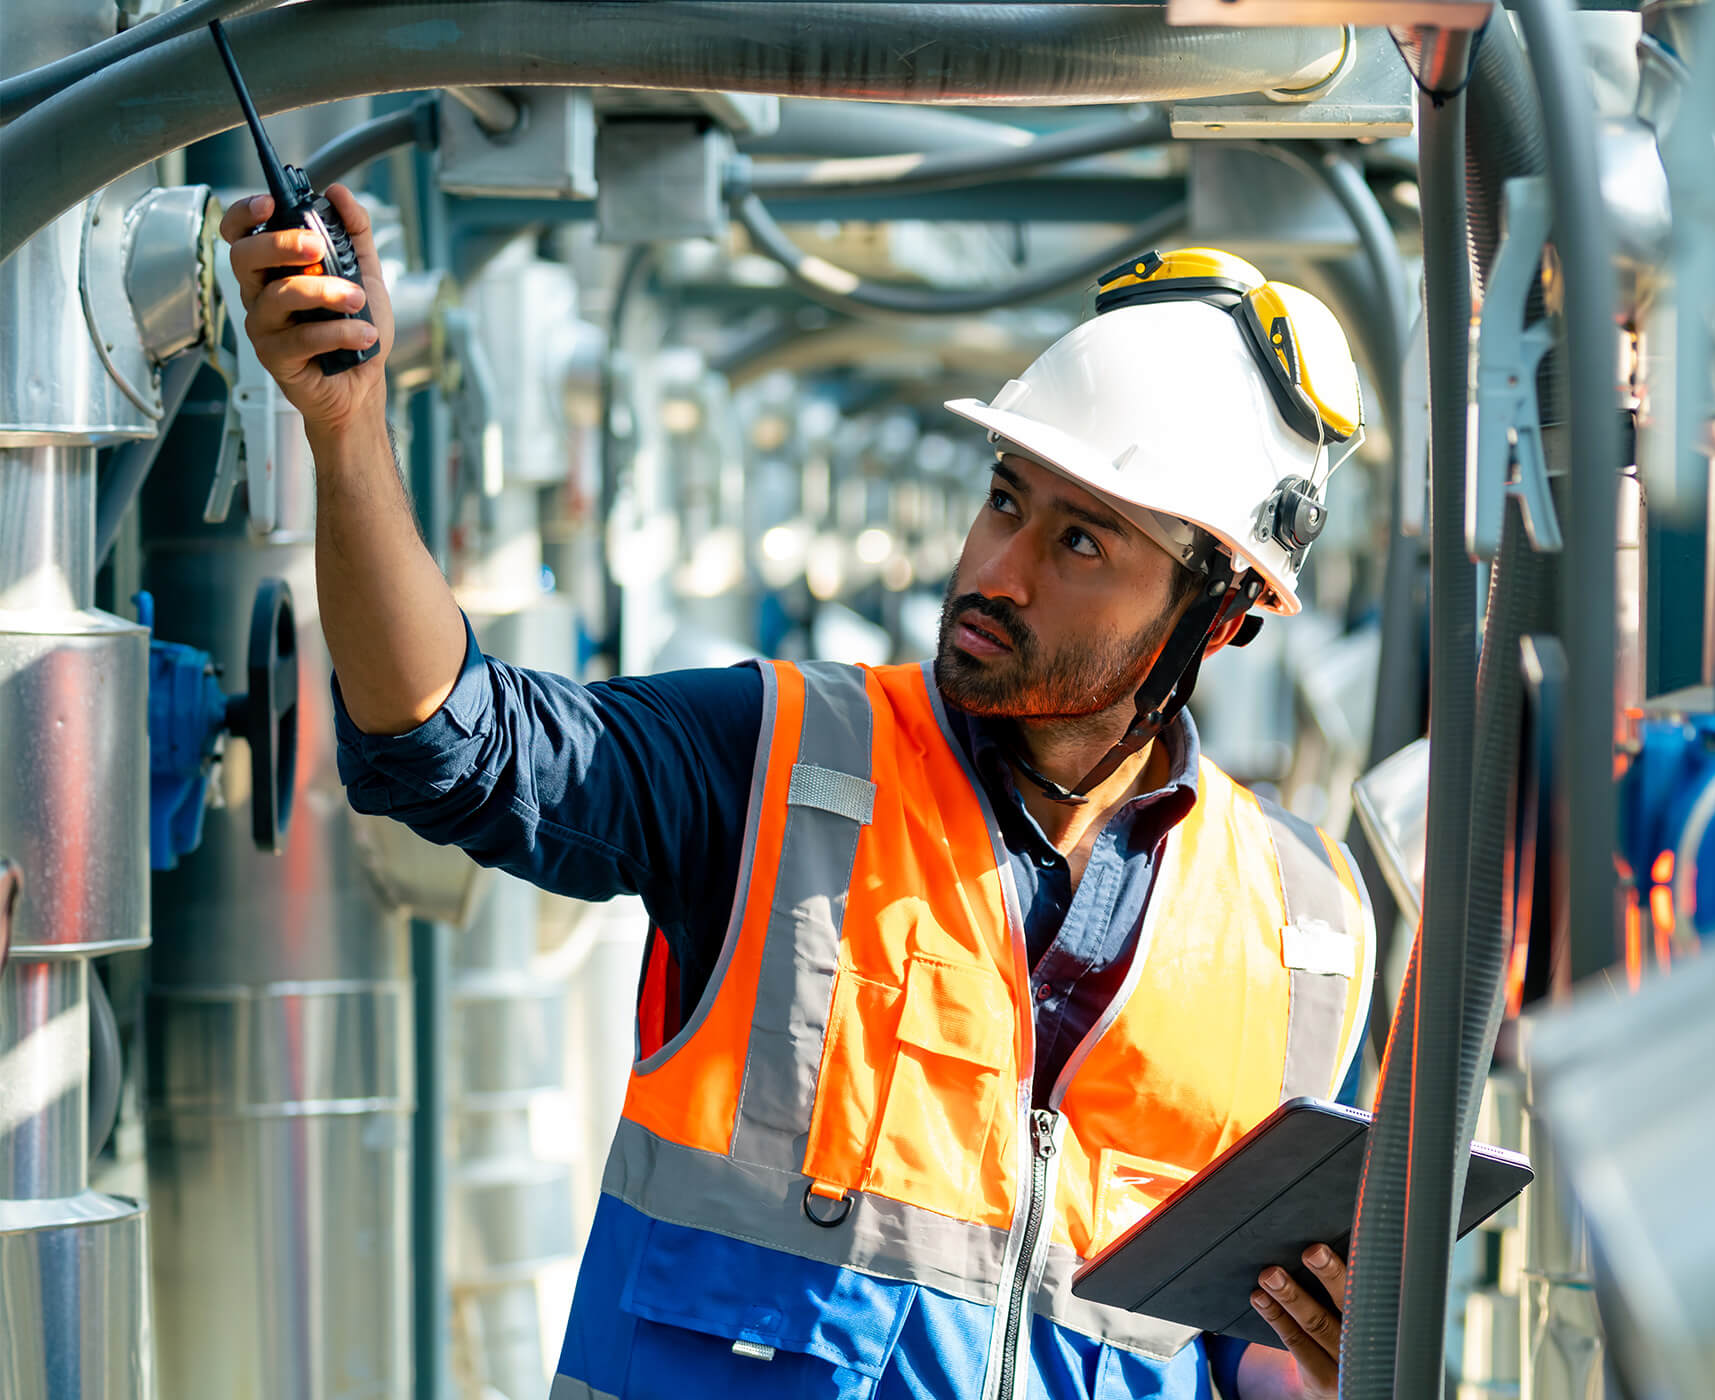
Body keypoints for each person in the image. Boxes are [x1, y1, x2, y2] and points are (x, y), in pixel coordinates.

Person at [222, 186, 1377, 1400]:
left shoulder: (1300, 926)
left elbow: (1247, 1352)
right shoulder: (774, 759)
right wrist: (346, 428)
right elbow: (452, 737)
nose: (995, 571)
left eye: (1080, 540)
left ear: (1220, 618)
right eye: (1005, 500)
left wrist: (1340, 1358)